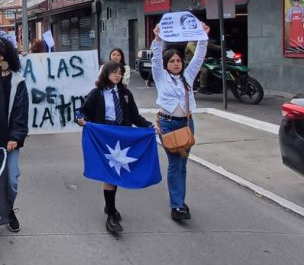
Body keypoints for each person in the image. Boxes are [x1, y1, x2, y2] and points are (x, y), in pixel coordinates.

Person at [77, 62, 152, 234]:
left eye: (120, 73)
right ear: (106, 73)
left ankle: (109, 206)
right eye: (114, 72)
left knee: (117, 171)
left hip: (122, 136)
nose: (118, 75)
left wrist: (148, 126)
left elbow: (134, 116)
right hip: (105, 136)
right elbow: (83, 111)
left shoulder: (125, 94)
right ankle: (111, 213)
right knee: (110, 173)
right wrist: (81, 119)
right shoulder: (96, 93)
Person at [151, 20, 209, 222]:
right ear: (166, 64)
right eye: (172, 61)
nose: (176, 64)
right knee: (175, 164)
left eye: (178, 61)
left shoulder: (188, 76)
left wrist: (203, 36)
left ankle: (180, 201)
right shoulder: (160, 76)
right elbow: (156, 59)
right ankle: (176, 205)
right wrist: (158, 38)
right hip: (167, 125)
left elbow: (199, 57)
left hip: (186, 124)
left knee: (183, 164)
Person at [0, 37, 29, 239]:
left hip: (9, 141)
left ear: (2, 56)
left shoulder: (17, 82)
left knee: (11, 180)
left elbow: (21, 112)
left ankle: (8, 210)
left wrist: (15, 137)